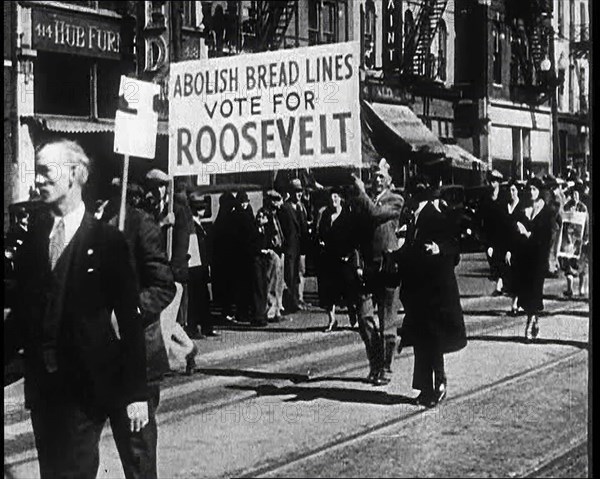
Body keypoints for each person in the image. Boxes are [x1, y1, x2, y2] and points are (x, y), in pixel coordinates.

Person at [4, 138, 149, 478]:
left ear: (73, 175)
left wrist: (136, 393)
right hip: (44, 389)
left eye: (45, 172)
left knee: (75, 471)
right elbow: (23, 316)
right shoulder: (33, 239)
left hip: (87, 389)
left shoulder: (107, 242)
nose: (37, 180)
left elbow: (130, 321)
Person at [96, 177, 177, 479]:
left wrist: (128, 308)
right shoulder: (97, 224)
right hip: (101, 356)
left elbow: (163, 287)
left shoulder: (141, 225)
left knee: (138, 453)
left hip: (138, 354)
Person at [390, 175, 467, 408]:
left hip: (437, 292)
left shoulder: (433, 217)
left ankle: (439, 383)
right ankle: (425, 388)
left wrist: (438, 248)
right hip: (420, 290)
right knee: (424, 341)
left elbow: (455, 247)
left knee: (432, 340)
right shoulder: (413, 220)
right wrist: (395, 255)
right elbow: (410, 253)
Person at [351, 159, 405, 386]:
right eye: (374, 175)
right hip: (368, 268)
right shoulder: (362, 201)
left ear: (390, 180)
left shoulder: (395, 200)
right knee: (365, 319)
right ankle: (375, 363)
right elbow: (355, 233)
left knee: (387, 323)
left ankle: (386, 367)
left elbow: (375, 214)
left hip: (388, 267)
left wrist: (361, 194)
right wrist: (357, 263)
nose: (376, 179)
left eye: (381, 176)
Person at [144, 170, 197, 374]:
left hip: (172, 276)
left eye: (160, 185)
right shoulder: (152, 210)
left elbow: (181, 246)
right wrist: (161, 224)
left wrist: (171, 273)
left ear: (166, 187)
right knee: (165, 321)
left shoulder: (179, 210)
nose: (156, 190)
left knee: (163, 323)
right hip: (156, 275)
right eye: (153, 186)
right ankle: (189, 349)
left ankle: (156, 366)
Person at [508, 177, 554, 341]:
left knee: (535, 289)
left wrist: (528, 234)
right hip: (524, 257)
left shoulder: (547, 211)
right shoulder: (524, 209)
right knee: (526, 291)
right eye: (530, 189)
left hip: (539, 257)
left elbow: (546, 237)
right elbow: (513, 229)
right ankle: (534, 319)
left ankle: (529, 322)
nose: (532, 192)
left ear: (540, 191)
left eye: (535, 189)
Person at [316, 186, 361, 332]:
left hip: (345, 258)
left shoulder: (348, 215)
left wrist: (348, 254)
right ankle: (332, 320)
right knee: (328, 290)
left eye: (336, 196)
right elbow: (320, 233)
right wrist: (321, 241)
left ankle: (353, 315)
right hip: (329, 258)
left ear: (341, 198)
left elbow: (354, 237)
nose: (333, 199)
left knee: (350, 288)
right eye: (331, 196)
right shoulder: (325, 215)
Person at [187, 192, 218, 338]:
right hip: (195, 266)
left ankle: (206, 326)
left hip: (200, 265)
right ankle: (197, 327)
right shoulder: (193, 225)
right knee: (197, 298)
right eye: (200, 208)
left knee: (203, 297)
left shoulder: (198, 225)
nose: (203, 210)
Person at [278, 179, 309, 315]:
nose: (299, 194)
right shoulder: (285, 208)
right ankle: (291, 303)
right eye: (296, 192)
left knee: (299, 274)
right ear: (291, 193)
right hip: (290, 246)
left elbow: (304, 227)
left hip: (300, 246)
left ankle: (298, 300)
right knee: (289, 276)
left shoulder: (302, 207)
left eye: (300, 191)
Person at [211, 192, 238, 322]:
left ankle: (225, 311)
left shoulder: (219, 221)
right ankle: (227, 312)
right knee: (229, 288)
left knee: (224, 289)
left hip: (220, 262)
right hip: (229, 261)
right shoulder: (231, 220)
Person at [559, 183, 589, 298]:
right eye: (573, 194)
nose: (575, 196)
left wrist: (586, 237)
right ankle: (570, 289)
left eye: (576, 194)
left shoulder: (583, 207)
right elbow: (563, 222)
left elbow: (586, 223)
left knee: (582, 265)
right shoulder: (567, 206)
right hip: (569, 239)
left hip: (580, 239)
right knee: (568, 263)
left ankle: (581, 289)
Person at [479, 169, 506, 295]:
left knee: (501, 258)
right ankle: (499, 280)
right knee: (492, 259)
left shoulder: (504, 197)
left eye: (494, 181)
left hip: (502, 233)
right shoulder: (485, 198)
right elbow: (481, 216)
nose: (491, 184)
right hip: (489, 234)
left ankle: (500, 284)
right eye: (490, 181)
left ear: (499, 183)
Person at [232, 190, 256, 323]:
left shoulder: (239, 214)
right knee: (243, 287)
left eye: (245, 202)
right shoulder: (242, 215)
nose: (244, 204)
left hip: (245, 255)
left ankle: (245, 312)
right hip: (242, 256)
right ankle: (243, 312)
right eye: (242, 202)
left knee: (245, 286)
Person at [501, 179, 524, 316]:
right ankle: (516, 303)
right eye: (510, 190)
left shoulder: (522, 207)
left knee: (519, 274)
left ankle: (516, 304)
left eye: (514, 190)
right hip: (508, 244)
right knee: (511, 275)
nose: (511, 193)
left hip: (520, 245)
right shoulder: (506, 206)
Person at [263, 190, 286, 322]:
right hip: (272, 252)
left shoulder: (276, 215)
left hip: (279, 250)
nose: (279, 204)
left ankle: (277, 309)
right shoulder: (266, 215)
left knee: (279, 282)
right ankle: (270, 311)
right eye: (276, 201)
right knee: (272, 282)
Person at [544, 175, 566, 278]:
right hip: (554, 224)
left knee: (552, 247)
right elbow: (557, 211)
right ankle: (551, 268)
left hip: (553, 224)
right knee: (552, 247)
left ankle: (552, 267)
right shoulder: (554, 196)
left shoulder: (553, 196)